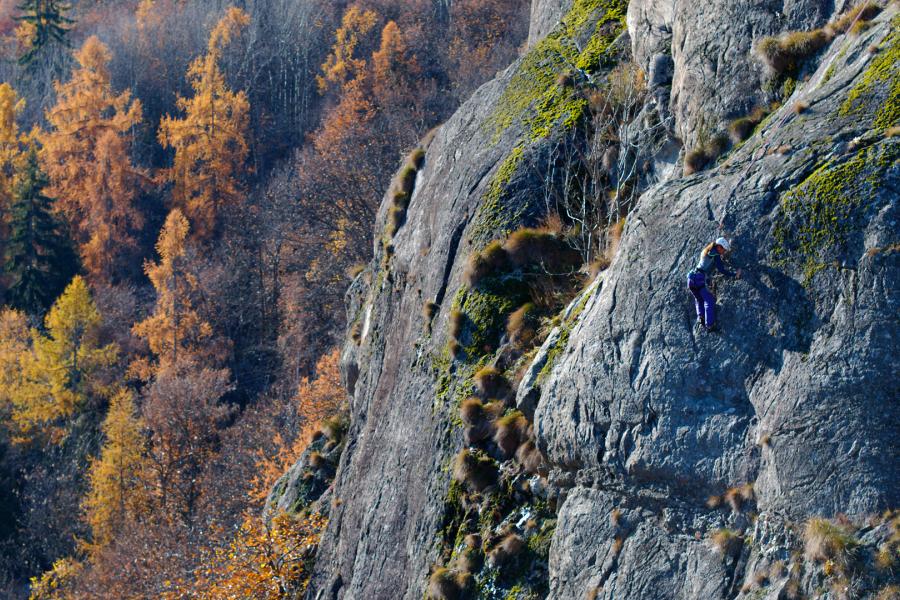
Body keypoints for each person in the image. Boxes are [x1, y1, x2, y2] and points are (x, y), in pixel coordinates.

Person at [687, 237, 740, 332]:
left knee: (699, 299)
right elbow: (722, 270)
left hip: (691, 279)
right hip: (699, 278)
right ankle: (710, 325)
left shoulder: (706, 251)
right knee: (709, 300)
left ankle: (701, 318)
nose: (723, 252)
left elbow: (704, 267)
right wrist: (734, 274)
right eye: (723, 249)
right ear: (719, 247)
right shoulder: (715, 254)